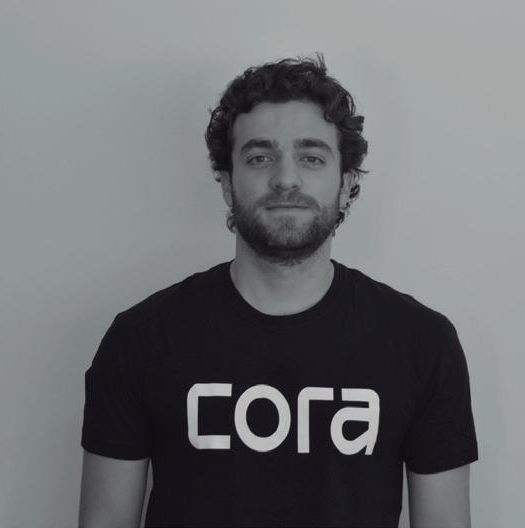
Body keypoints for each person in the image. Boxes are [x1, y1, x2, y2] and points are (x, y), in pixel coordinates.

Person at [78, 52, 479, 528]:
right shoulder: (141, 339)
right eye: (260, 157)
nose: (286, 178)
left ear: (346, 183)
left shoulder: (422, 343)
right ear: (226, 183)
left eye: (311, 157)